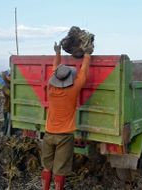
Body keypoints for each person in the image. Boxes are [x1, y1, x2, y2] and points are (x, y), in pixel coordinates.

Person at [41, 41, 93, 190]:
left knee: (47, 165)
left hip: (49, 133)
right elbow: (83, 72)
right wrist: (87, 54)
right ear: (70, 79)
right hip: (65, 136)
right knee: (60, 168)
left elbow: (54, 69)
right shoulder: (73, 89)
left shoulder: (51, 88)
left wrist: (57, 52)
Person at [1, 71, 11, 136]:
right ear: (5, 77)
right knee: (7, 124)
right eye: (9, 76)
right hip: (7, 108)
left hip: (10, 108)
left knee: (9, 124)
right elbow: (10, 94)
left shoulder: (11, 84)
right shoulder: (5, 87)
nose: (10, 77)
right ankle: (4, 137)